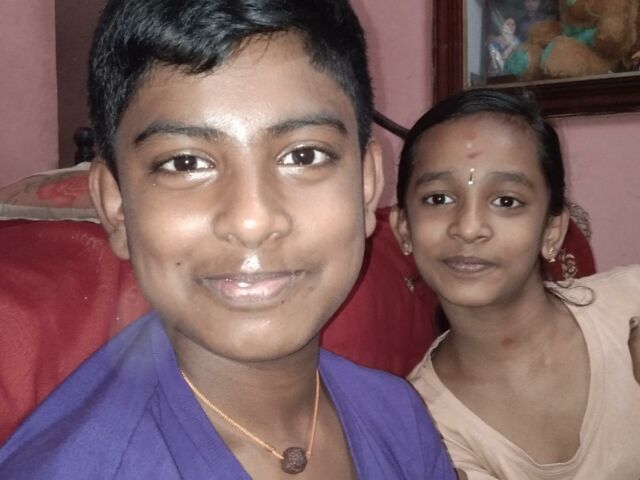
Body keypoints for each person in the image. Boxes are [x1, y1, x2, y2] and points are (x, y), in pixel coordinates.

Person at [0, 1, 457, 478]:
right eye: (185, 163)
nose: (251, 220)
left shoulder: (400, 419)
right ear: (116, 207)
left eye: (303, 156)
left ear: (366, 186)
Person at [390, 89, 640, 479]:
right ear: (404, 228)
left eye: (506, 201)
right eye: (438, 199)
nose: (468, 228)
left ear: (552, 231)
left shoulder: (633, 303)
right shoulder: (424, 429)